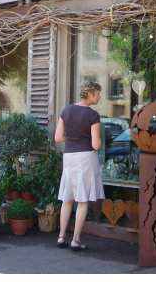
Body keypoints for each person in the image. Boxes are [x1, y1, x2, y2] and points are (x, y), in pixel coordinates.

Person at [54, 81, 104, 251]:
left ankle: (61, 237)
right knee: (82, 201)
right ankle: (75, 240)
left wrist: (73, 138)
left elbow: (58, 138)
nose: (99, 97)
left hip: (69, 157)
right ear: (90, 94)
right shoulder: (93, 115)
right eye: (98, 93)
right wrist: (99, 141)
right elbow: (96, 145)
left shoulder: (66, 110)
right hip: (85, 158)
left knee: (67, 199)